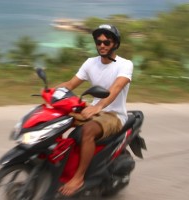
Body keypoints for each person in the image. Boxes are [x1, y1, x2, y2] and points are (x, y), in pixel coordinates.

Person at [55, 24, 133, 196]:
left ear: (115, 44)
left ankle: (79, 177)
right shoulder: (90, 63)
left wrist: (98, 106)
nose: (102, 45)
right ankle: (54, 161)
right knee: (56, 119)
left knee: (87, 131)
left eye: (107, 42)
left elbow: (116, 88)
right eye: (99, 42)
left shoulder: (125, 65)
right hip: (94, 110)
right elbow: (70, 84)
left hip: (114, 115)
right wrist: (51, 92)